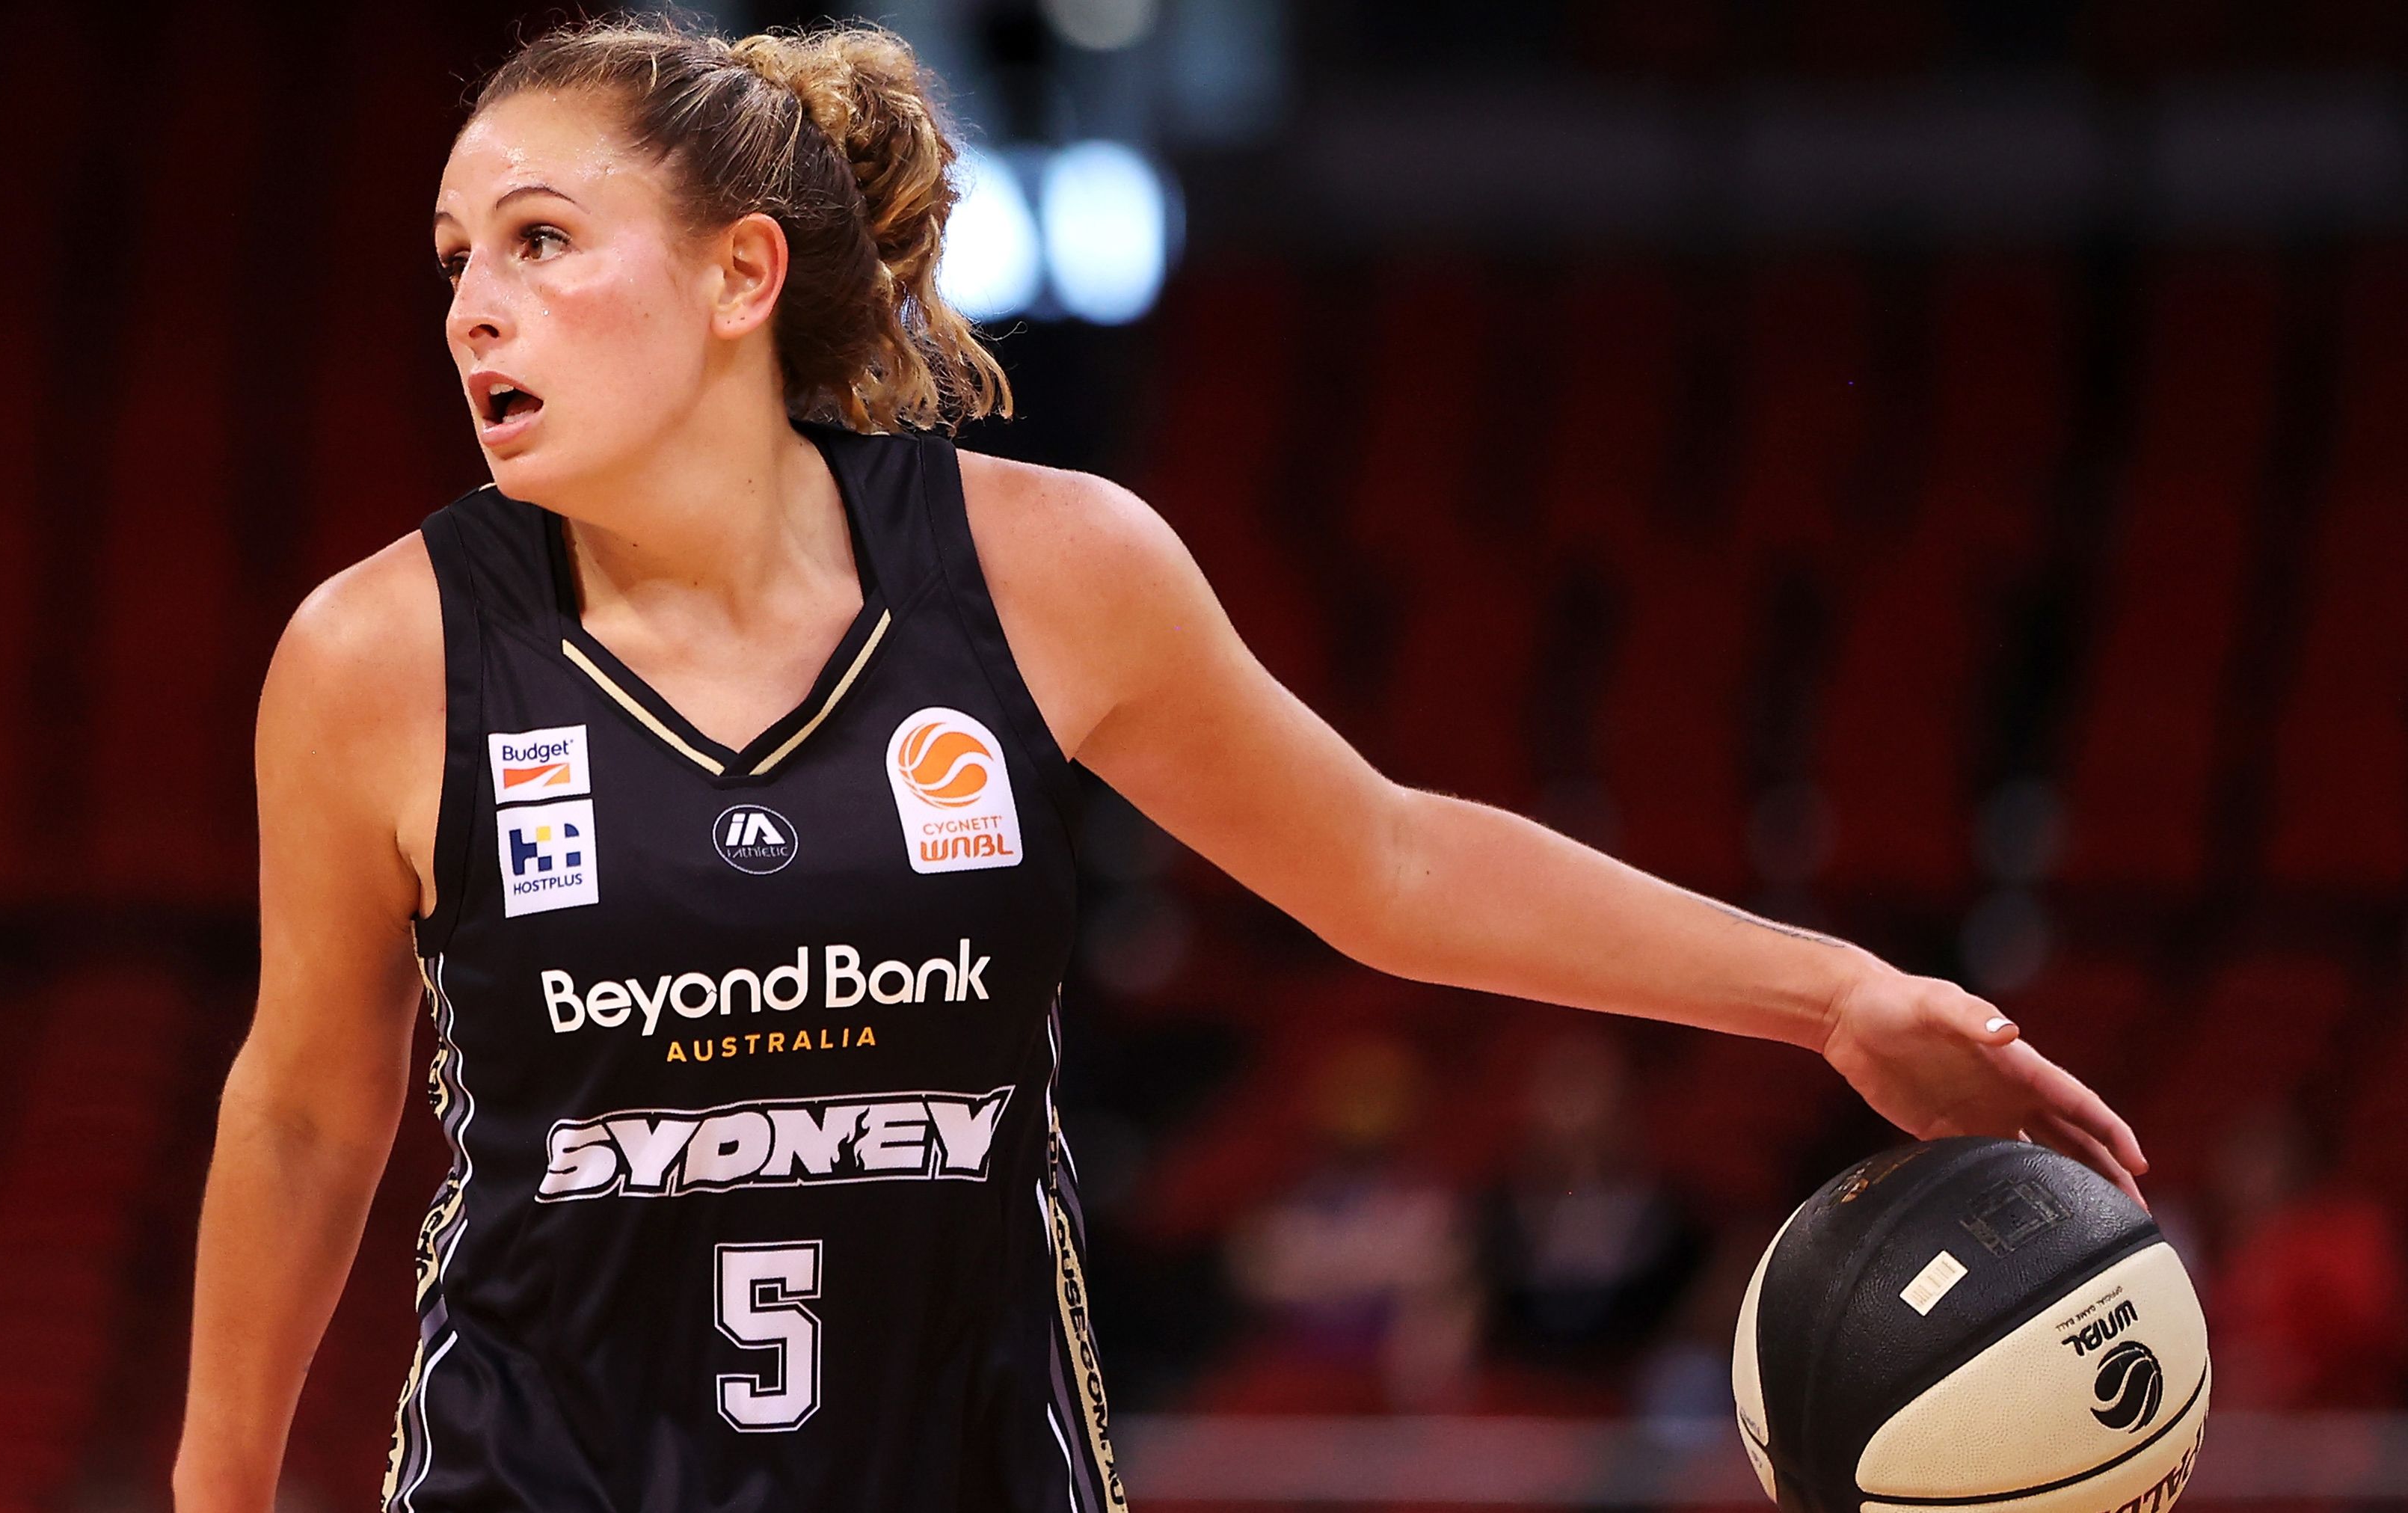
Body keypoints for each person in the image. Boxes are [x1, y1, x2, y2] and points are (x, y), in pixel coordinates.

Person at [172, 16, 2149, 1512]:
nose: (472, 306)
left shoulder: (1046, 572)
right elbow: (306, 1114)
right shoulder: (378, 656)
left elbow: (1387, 862)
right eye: (451, 260)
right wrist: (216, 1495)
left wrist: (1838, 998)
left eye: (536, 238)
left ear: (739, 277)